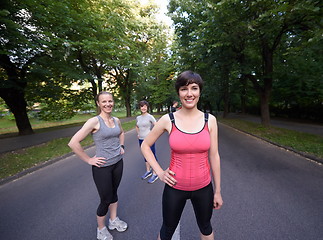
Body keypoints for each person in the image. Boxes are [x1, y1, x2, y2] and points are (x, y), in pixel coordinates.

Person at [141, 70, 223, 240]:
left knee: (206, 228)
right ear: (178, 92)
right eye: (184, 89)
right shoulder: (167, 119)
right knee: (167, 231)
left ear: (200, 91)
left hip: (203, 188)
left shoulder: (210, 120)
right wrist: (160, 172)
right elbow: (146, 146)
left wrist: (218, 191)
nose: (189, 94)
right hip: (175, 187)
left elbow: (214, 156)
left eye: (194, 88)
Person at [68, 91, 127, 240]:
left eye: (110, 101)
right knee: (106, 199)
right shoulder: (94, 121)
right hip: (102, 168)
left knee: (114, 193)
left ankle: (113, 221)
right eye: (104, 101)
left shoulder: (116, 120)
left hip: (118, 163)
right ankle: (101, 229)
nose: (108, 104)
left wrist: (122, 146)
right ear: (98, 104)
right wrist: (89, 160)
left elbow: (121, 133)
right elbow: (73, 143)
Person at [136, 100, 159, 183]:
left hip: (149, 139)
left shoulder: (150, 117)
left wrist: (152, 135)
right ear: (140, 108)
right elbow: (137, 126)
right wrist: (138, 134)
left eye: (145, 106)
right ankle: (148, 171)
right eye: (142, 106)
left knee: (152, 155)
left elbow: (157, 126)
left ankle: (155, 173)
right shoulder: (138, 118)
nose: (143, 108)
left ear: (147, 107)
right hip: (141, 139)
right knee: (145, 155)